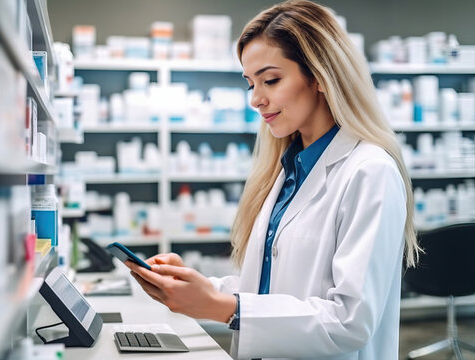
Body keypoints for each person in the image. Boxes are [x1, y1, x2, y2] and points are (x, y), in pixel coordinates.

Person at [125, 1, 421, 359]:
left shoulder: (370, 171)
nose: (255, 99)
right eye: (251, 83)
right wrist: (201, 288)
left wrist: (223, 307)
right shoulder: (288, 168)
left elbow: (350, 321)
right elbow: (273, 288)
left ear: (319, 76)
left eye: (271, 80)